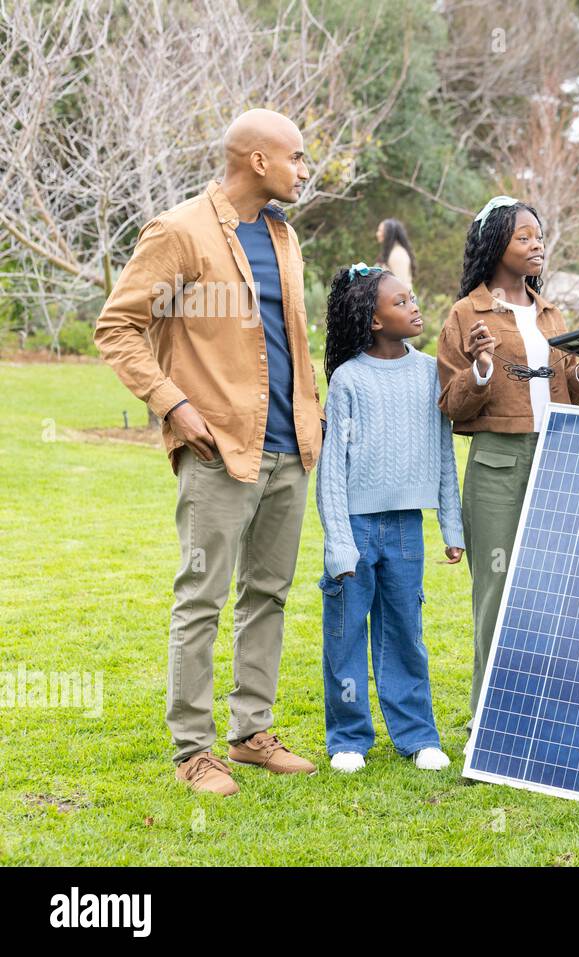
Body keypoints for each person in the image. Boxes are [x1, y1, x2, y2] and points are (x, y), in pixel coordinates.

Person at [94, 109, 322, 795]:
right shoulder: (179, 231)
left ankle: (251, 733)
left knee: (269, 594)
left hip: (289, 446)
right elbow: (118, 326)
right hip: (218, 447)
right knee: (202, 598)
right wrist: (173, 404)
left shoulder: (284, 236)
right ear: (257, 160)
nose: (306, 170)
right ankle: (193, 751)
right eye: (298, 157)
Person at [436, 196, 579, 724]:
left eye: (540, 236)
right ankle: (490, 718)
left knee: (553, 583)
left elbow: (572, 391)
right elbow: (450, 403)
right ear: (496, 246)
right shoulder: (466, 313)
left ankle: (547, 708)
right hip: (497, 464)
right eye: (525, 237)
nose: (537, 245)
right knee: (497, 588)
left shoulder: (550, 312)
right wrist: (484, 368)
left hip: (558, 456)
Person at [316, 263, 465, 774]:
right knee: (345, 635)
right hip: (355, 527)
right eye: (400, 302)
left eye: (413, 298)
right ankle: (349, 739)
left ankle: (418, 735)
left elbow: (443, 452)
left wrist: (451, 525)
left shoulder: (429, 373)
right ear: (374, 319)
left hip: (406, 528)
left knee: (405, 632)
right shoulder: (349, 378)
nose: (414, 306)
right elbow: (332, 469)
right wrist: (339, 543)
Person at [375, 218, 414, 287]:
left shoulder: (398, 255)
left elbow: (401, 286)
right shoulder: (390, 252)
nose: (377, 234)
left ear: (388, 234)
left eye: (380, 231)